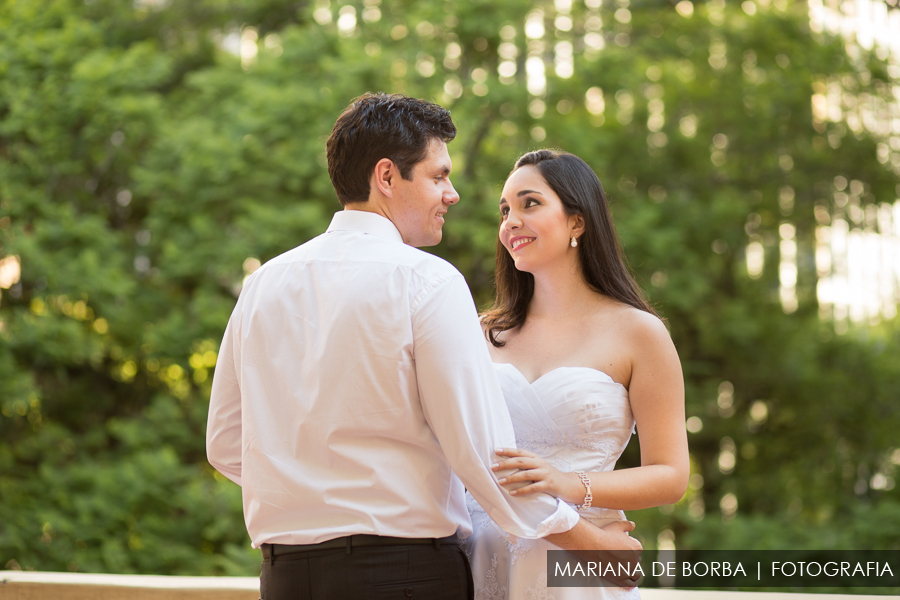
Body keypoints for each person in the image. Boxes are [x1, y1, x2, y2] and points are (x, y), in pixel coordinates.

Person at [206, 95, 641, 600]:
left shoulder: (264, 284)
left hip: (285, 578)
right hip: (403, 574)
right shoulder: (427, 281)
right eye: (438, 177)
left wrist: (316, 490)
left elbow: (224, 443)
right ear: (386, 177)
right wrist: (593, 544)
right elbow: (485, 457)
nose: (452, 194)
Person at [464, 149, 689, 599]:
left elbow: (671, 474)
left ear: (577, 222)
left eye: (530, 203)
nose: (510, 221)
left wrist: (569, 485)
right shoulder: (479, 333)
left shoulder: (639, 333)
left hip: (578, 566)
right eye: (505, 209)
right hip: (476, 556)